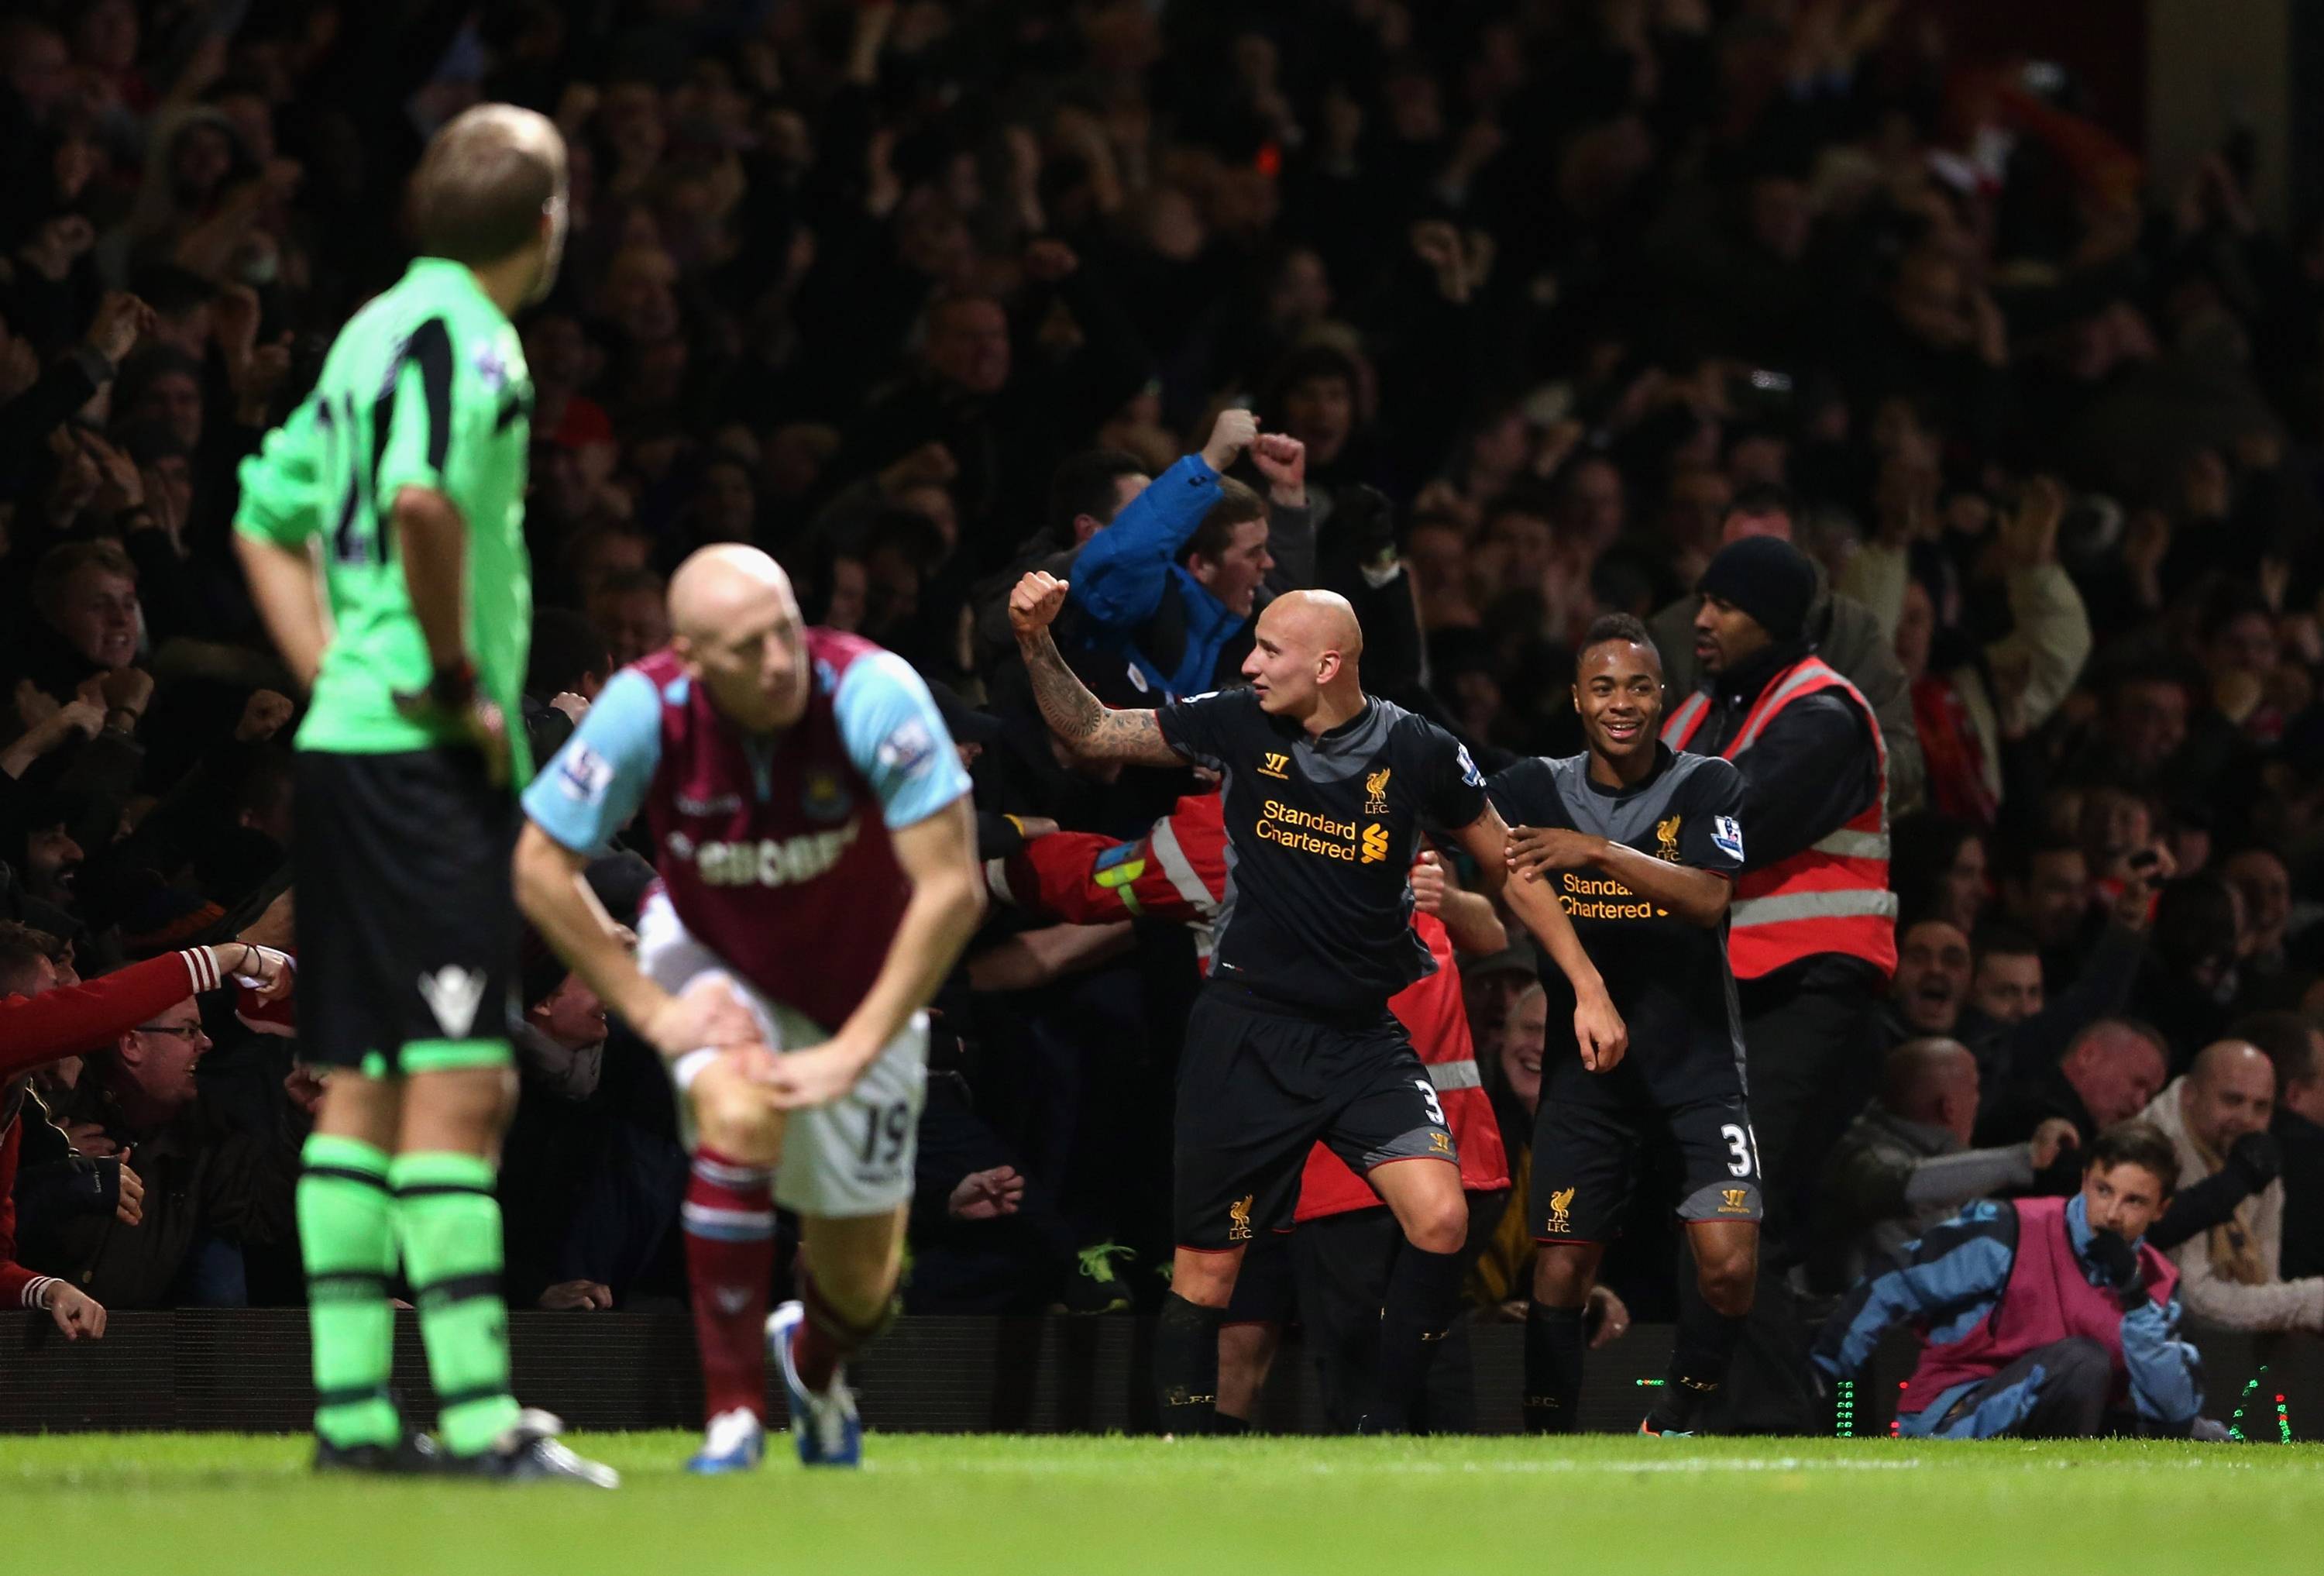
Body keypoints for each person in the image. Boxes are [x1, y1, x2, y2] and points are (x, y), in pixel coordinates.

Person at [1007, 570, 1622, 1434]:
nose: (1250, 664)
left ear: (1329, 663)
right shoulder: (1232, 721)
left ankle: (1380, 1428)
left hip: (1361, 1039)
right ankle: (1186, 1454)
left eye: (1270, 649)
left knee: (1442, 1219)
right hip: (1247, 1033)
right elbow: (1093, 727)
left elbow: (1513, 871)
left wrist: (1587, 985)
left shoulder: (1419, 750)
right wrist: (1037, 641)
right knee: (1207, 1275)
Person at [232, 103, 614, 1485]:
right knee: (456, 1091)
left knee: (359, 1094)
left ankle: (348, 1418)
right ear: (545, 222)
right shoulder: (478, 337)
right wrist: (451, 676)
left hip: (347, 752)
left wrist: (333, 664)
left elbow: (261, 517)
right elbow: (422, 505)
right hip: (423, 763)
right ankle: (472, 1419)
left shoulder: (367, 332)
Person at [515, 544, 983, 1472]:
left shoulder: (872, 690)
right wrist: (651, 1011)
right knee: (735, 1117)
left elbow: (954, 889)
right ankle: (733, 1415)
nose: (776, 661)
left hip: (860, 971)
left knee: (864, 1285)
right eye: (745, 646)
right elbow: (537, 865)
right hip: (715, 948)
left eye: (783, 632)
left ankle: (811, 1360)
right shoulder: (643, 706)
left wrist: (854, 1049)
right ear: (689, 655)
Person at [983, 783, 1512, 1430]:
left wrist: (965, 849)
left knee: (1369, 1341)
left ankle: (1397, 1480)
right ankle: (1213, 1490)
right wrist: (975, 848)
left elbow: (1081, 880)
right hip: (1286, 1143)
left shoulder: (1378, 799)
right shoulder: (1245, 828)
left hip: (1365, 1154)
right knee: (1237, 1332)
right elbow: (1074, 909)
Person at [1497, 613, 1759, 1437]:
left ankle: (1678, 1412)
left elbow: (1711, 899)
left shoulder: (1709, 784)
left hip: (1698, 1068)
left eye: (1639, 687)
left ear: (1662, 697)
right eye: (1604, 686)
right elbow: (1491, 860)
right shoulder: (1530, 789)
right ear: (1577, 699)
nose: (1623, 703)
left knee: (1729, 1268)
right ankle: (1545, 1443)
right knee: (1562, 1270)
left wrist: (1600, 854)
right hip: (1588, 1077)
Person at [1659, 535, 1896, 1271]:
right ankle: (1711, 1388)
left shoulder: (1821, 715)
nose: (1702, 618)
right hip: (1725, 999)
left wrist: (1614, 836)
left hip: (1807, 994)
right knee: (1713, 1215)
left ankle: (1764, 1391)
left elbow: (1731, 829)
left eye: (1725, 606)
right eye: (1703, 600)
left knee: (1732, 1210)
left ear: (1772, 621)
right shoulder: (1701, 711)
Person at [1813, 1121, 2210, 1440]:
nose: (2111, 1214)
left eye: (2134, 1201)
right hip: (1955, 1420)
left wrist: (2134, 1297)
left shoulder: (2157, 1282)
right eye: (2103, 1191)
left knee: (2199, 1436)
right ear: (2085, 1181)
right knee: (2083, 1363)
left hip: (2070, 1426)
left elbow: (2173, 1411)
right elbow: (1892, 1282)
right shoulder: (2011, 1230)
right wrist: (1818, 1382)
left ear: (2161, 1210)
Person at [1644, 485, 1923, 815]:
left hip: (1824, 855)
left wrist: (1817, 774)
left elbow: (1904, 759)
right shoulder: (1674, 635)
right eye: (1736, 557)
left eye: (1770, 559)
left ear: (1803, 558)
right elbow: (1631, 759)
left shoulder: (1851, 632)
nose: (1748, 578)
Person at [1820, 1039, 2081, 1287]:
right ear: (1949, 1108)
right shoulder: (1862, 1158)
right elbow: (1903, 1187)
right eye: (1975, 1089)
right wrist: (2029, 1157)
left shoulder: (1936, 1162)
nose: (1979, 1100)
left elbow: (1972, 1218)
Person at [2139, 1041, 2324, 1333]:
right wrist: (2307, 1300)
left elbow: (2267, 1280)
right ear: (2190, 1095)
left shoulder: (2254, 1153)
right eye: (2232, 1101)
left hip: (2227, 1354)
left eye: (2261, 1106)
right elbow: (2194, 1301)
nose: (2247, 1119)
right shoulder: (2152, 1149)